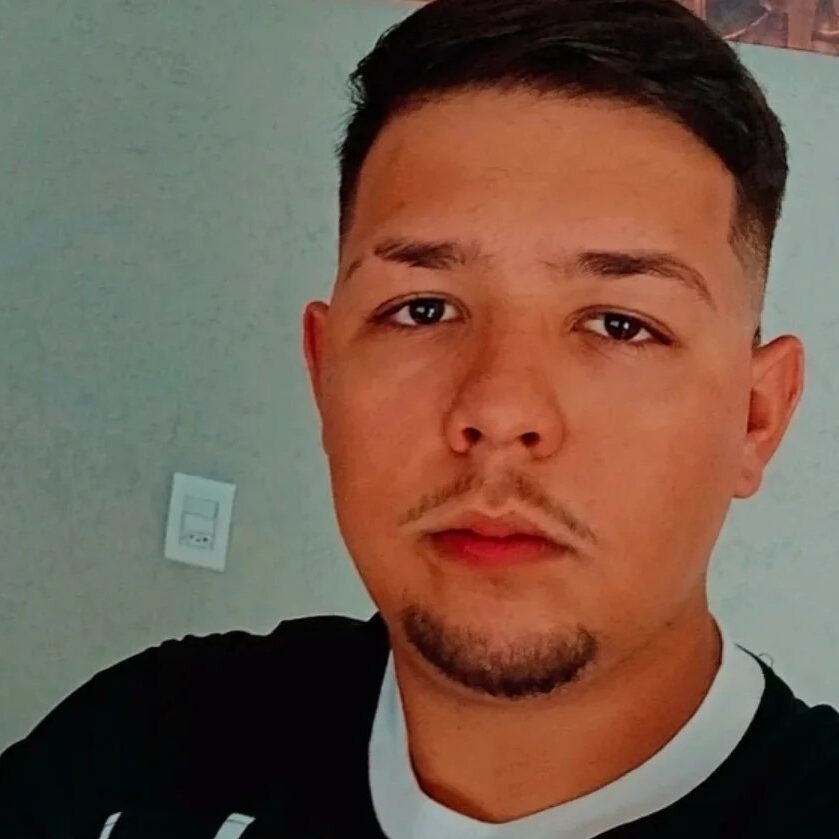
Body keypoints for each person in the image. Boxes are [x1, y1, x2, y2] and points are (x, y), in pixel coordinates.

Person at [1, 0, 833, 836]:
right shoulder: (142, 751)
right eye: (423, 309)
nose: (497, 410)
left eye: (620, 324)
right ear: (323, 373)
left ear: (755, 417)